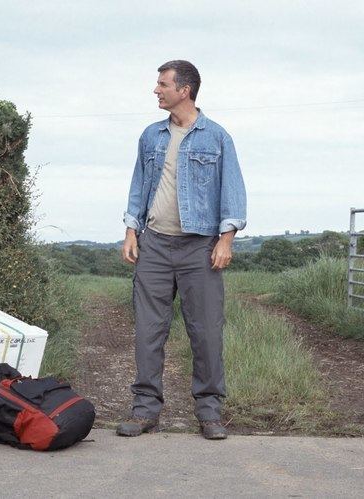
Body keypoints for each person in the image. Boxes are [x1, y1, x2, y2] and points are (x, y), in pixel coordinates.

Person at [118, 60, 247, 440]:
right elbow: (139, 185)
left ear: (184, 89)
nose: (156, 90)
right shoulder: (150, 136)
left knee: (206, 333)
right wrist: (130, 230)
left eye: (162, 84)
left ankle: (209, 414)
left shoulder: (218, 138)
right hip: (154, 245)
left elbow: (233, 191)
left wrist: (226, 239)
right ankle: (145, 412)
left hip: (200, 249)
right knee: (148, 332)